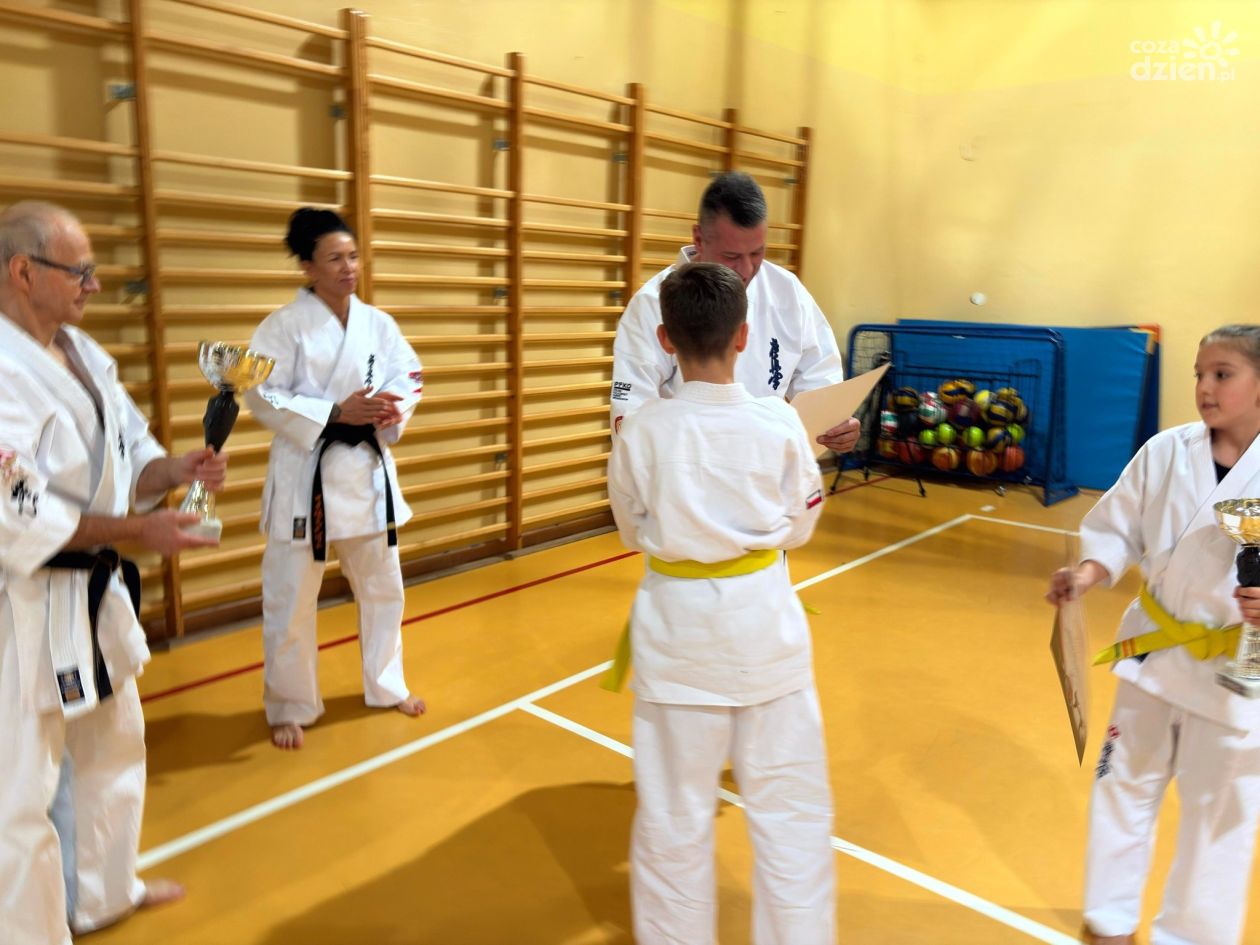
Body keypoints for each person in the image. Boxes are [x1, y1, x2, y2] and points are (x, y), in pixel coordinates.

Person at [0, 200, 226, 944]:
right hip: (23, 599)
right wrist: (138, 531)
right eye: (81, 271)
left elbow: (132, 458)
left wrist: (177, 470)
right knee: (20, 789)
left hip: (90, 592)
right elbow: (16, 510)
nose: (94, 285)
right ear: (23, 271)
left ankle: (102, 893)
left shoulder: (84, 354)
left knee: (114, 742)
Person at [607, 262, 834, 945]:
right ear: (744, 336)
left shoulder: (640, 431)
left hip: (676, 638)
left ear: (665, 340)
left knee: (672, 818)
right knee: (791, 814)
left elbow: (630, 528)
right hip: (767, 633)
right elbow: (803, 521)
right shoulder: (780, 422)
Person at [1046, 324, 1260, 945]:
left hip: (1236, 671)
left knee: (1217, 815)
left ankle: (1193, 934)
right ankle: (1109, 918)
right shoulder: (1167, 450)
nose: (1204, 387)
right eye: (1199, 374)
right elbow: (1119, 526)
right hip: (1154, 652)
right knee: (1122, 784)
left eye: (1222, 374)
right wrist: (1087, 573)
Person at [245, 208, 425, 751]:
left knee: (384, 589)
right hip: (308, 479)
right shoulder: (282, 327)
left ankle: (387, 684)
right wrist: (333, 412)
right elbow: (260, 394)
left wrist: (393, 408)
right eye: (334, 259)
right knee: (291, 602)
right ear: (307, 267)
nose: (348, 268)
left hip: (365, 473)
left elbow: (409, 374)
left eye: (353, 256)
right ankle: (290, 705)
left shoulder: (378, 324)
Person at [610, 170, 859, 454]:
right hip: (685, 465)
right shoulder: (652, 304)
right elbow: (632, 413)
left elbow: (820, 375)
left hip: (765, 463)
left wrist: (835, 425)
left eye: (757, 253)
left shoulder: (786, 291)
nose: (747, 269)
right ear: (699, 239)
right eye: (731, 256)